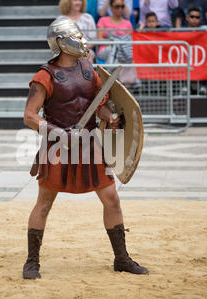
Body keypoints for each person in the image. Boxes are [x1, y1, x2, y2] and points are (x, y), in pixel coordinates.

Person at [22, 16, 149, 280]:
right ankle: (32, 261)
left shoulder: (88, 69)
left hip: (90, 145)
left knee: (111, 198)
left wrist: (110, 116)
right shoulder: (44, 76)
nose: (80, 40)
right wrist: (58, 134)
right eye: (74, 36)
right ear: (60, 42)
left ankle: (122, 258)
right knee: (44, 204)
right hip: (57, 148)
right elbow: (30, 116)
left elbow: (98, 104)